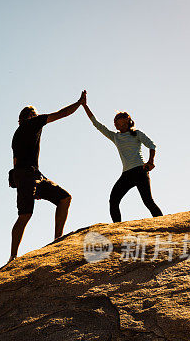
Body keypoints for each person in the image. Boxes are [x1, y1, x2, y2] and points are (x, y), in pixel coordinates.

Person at [8, 91, 85, 262]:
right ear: (30, 116)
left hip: (29, 175)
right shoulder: (34, 123)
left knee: (63, 199)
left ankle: (55, 242)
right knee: (26, 214)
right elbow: (61, 114)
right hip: (29, 175)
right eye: (34, 114)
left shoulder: (16, 134)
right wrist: (79, 103)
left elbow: (15, 161)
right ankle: (13, 256)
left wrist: (23, 183)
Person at [80, 93, 163, 223]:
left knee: (148, 201)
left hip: (140, 171)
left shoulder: (136, 134)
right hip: (126, 174)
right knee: (113, 200)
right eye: (114, 121)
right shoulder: (115, 137)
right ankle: (117, 228)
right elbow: (97, 124)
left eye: (116, 120)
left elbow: (152, 145)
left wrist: (151, 161)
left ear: (125, 121)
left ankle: (163, 224)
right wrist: (85, 106)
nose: (114, 123)